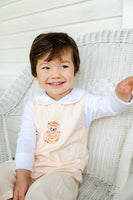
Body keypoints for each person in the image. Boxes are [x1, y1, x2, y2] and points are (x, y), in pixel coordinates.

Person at [0, 32, 133, 200]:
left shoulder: (83, 101)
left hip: (63, 172)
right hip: (32, 166)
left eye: (64, 66)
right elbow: (25, 141)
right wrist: (22, 175)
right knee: (4, 170)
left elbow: (109, 106)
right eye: (46, 67)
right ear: (36, 74)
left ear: (75, 70)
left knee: (46, 193)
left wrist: (120, 95)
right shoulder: (34, 104)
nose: (55, 74)